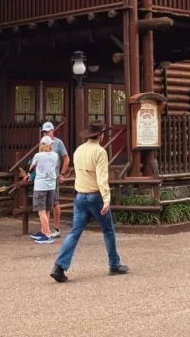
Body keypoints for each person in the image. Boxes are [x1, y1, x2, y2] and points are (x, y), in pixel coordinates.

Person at [50, 120, 128, 283]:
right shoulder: (100, 152)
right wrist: (107, 199)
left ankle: (59, 266)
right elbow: (102, 178)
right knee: (108, 230)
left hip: (80, 196)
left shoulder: (79, 150)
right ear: (100, 135)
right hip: (95, 196)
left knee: (74, 232)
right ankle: (114, 264)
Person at [27, 136, 60, 242]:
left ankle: (47, 234)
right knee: (47, 209)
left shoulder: (38, 155)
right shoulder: (55, 155)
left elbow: (31, 167)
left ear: (42, 145)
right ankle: (44, 230)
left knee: (41, 211)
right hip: (51, 186)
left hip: (41, 185)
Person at [41, 122, 70, 238]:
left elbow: (66, 159)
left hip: (54, 177)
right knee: (45, 204)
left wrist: (62, 174)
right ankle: (45, 229)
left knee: (55, 202)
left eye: (48, 131)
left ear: (53, 130)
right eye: (44, 131)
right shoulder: (42, 142)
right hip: (43, 177)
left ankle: (56, 228)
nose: (46, 133)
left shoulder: (58, 143)